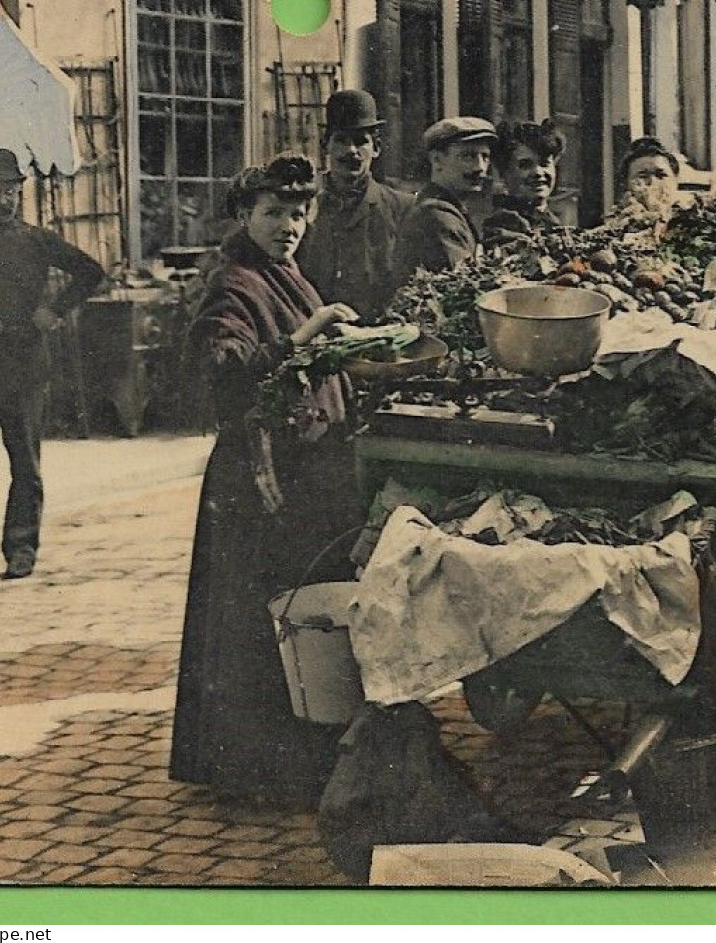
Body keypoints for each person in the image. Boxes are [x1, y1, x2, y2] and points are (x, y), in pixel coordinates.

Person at [169, 153, 364, 807]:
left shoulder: (284, 273)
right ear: (245, 215)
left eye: (299, 212)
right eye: (274, 212)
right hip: (258, 476)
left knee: (290, 601)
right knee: (257, 612)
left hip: (301, 469)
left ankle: (289, 754)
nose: (289, 224)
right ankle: (256, 768)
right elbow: (223, 368)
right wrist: (306, 335)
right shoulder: (235, 282)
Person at [0, 148, 106, 582]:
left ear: (19, 193)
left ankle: (22, 550)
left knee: (25, 463)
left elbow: (91, 271)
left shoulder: (36, 241)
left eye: (9, 191)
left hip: (25, 367)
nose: (1, 200)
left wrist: (55, 310)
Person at [293, 89, 416, 321]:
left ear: (376, 148)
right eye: (341, 140)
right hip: (311, 335)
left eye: (361, 142)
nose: (351, 151)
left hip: (380, 339)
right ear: (325, 145)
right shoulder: (300, 208)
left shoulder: (403, 209)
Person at [393, 116, 497, 276]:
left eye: (485, 157)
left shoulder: (449, 209)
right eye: (467, 156)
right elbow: (464, 287)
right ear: (437, 160)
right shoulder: (438, 216)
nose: (480, 167)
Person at [484, 119, 567, 246]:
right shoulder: (501, 225)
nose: (538, 172)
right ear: (503, 173)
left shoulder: (553, 222)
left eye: (544, 163)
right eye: (525, 165)